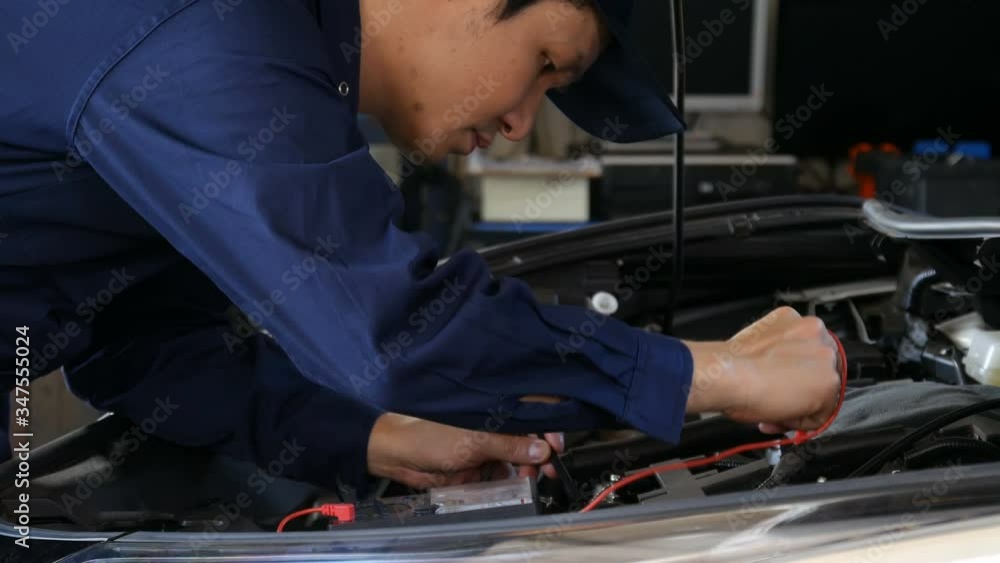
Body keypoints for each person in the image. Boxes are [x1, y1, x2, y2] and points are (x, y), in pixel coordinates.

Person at [0, 0, 841, 495]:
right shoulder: (214, 35)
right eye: (547, 63)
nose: (520, 120)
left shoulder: (276, 70)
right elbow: (396, 334)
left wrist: (363, 436)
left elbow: (145, 349)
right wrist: (723, 374)